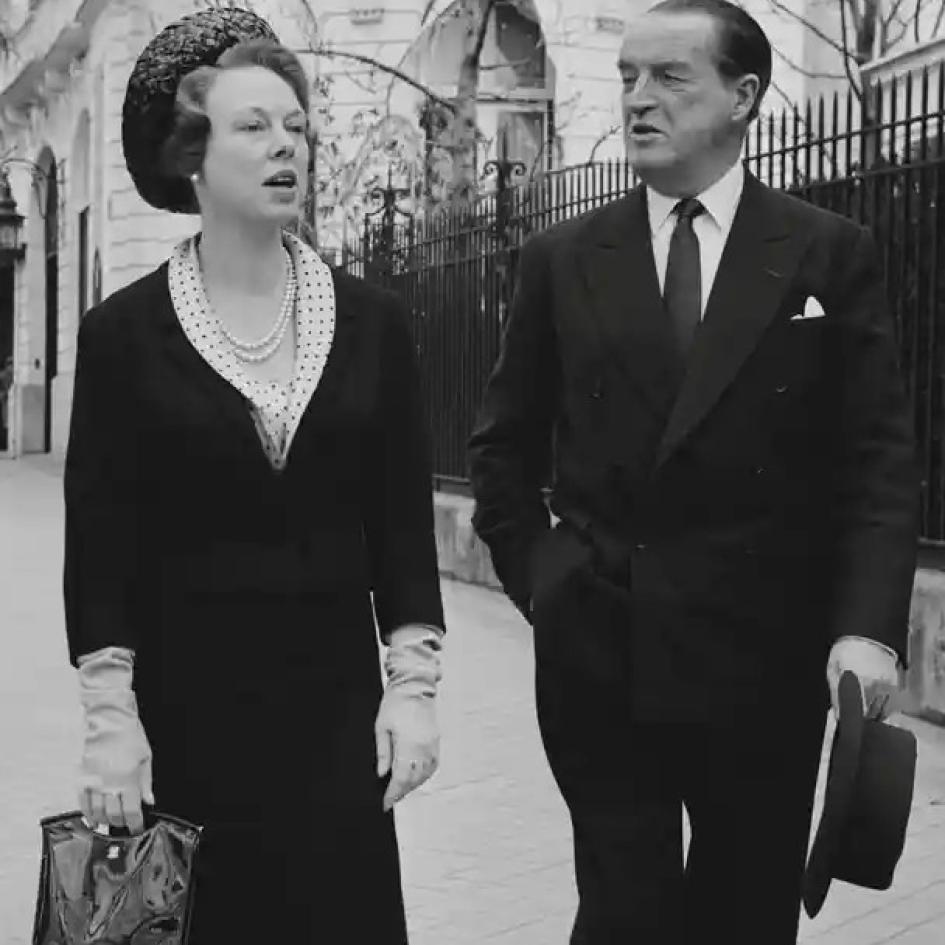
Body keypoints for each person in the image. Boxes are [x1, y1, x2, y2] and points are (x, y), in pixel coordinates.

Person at [467, 1, 918, 942]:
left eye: (670, 78)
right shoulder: (561, 258)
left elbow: (874, 459)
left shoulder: (826, 252)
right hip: (601, 654)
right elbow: (500, 448)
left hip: (764, 660)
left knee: (743, 917)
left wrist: (868, 630)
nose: (637, 99)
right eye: (629, 75)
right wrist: (548, 585)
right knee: (622, 914)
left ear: (743, 96)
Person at [63, 9, 444, 943]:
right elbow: (99, 547)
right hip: (186, 724)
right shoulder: (121, 337)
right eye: (254, 127)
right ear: (190, 157)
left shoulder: (374, 324)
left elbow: (400, 526)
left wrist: (415, 689)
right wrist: (111, 723)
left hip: (335, 722)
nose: (287, 147)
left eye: (298, 127)